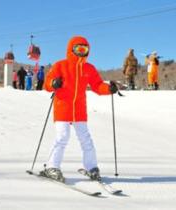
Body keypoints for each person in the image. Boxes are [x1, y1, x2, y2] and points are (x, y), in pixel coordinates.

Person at [40, 36, 118, 182]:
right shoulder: (60, 65)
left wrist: (109, 88)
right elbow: (46, 84)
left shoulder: (89, 68)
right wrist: (53, 83)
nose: (82, 52)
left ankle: (91, 168)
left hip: (79, 110)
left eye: (85, 49)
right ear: (71, 49)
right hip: (62, 107)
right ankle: (52, 167)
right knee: (62, 137)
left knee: (86, 139)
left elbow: (97, 85)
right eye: (79, 49)